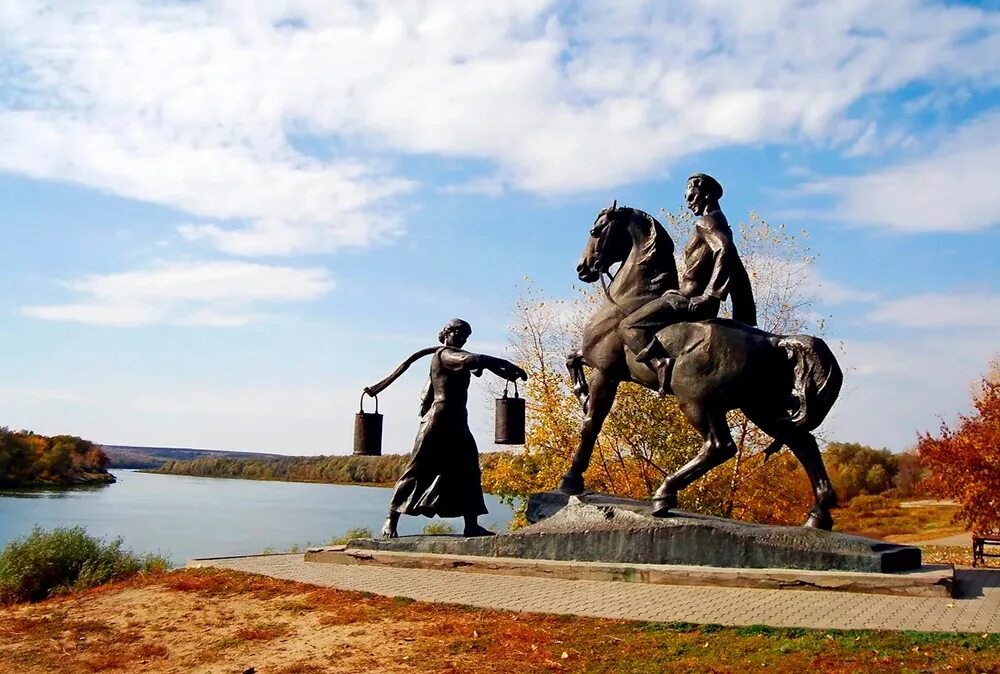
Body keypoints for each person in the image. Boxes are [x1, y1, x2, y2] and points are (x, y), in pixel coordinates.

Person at [377, 319, 527, 538]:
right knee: (417, 468)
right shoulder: (444, 355)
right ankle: (391, 519)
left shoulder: (456, 356)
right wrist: (504, 363)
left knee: (469, 469)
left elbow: (475, 364)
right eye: (458, 334)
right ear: (447, 333)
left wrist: (502, 372)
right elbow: (474, 360)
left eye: (465, 336)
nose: (462, 339)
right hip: (437, 420)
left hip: (458, 421)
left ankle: (471, 524)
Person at [618, 173, 757, 395]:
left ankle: (659, 364)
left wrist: (711, 295)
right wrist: (745, 314)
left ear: (707, 194)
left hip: (686, 299)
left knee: (627, 326)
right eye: (687, 198)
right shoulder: (719, 221)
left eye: (692, 196)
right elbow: (736, 268)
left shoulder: (707, 222)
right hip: (686, 295)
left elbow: (725, 250)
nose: (689, 202)